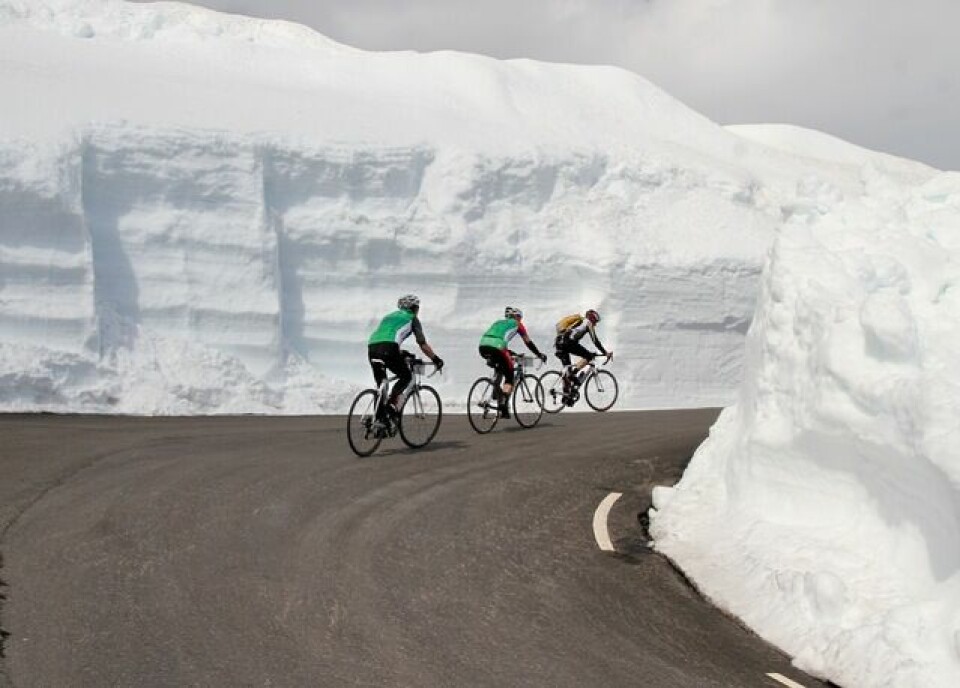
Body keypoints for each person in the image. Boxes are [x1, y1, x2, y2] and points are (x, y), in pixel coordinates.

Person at [368, 294, 444, 424]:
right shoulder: (412, 318)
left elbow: (386, 337)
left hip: (372, 347)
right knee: (406, 376)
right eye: (417, 307)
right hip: (390, 348)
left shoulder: (388, 317)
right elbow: (422, 344)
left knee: (382, 384)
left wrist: (401, 353)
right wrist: (436, 359)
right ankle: (392, 406)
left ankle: (379, 420)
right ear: (414, 308)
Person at [478, 306, 547, 418]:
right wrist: (539, 354)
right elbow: (528, 342)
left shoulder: (498, 322)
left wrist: (512, 353)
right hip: (498, 347)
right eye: (520, 317)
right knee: (509, 376)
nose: (520, 320)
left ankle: (496, 393)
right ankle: (503, 403)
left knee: (501, 367)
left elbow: (498, 341)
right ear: (517, 317)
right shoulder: (517, 324)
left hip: (483, 346)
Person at [555, 309, 612, 403]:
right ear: (591, 318)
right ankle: (574, 373)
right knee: (589, 356)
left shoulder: (579, 322)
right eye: (595, 321)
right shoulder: (588, 323)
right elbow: (595, 340)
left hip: (559, 343)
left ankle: (566, 396)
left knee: (567, 370)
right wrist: (605, 352)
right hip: (568, 343)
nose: (595, 324)